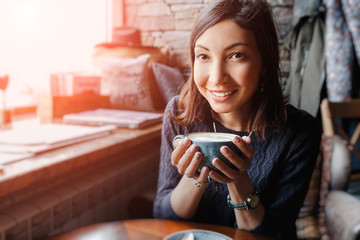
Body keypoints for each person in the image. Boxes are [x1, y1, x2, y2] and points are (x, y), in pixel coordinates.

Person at [153, 0, 321, 239]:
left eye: (236, 55)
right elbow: (163, 216)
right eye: (203, 56)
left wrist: (238, 180)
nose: (217, 77)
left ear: (265, 63)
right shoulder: (180, 115)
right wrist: (196, 175)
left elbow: (275, 233)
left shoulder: (299, 132)